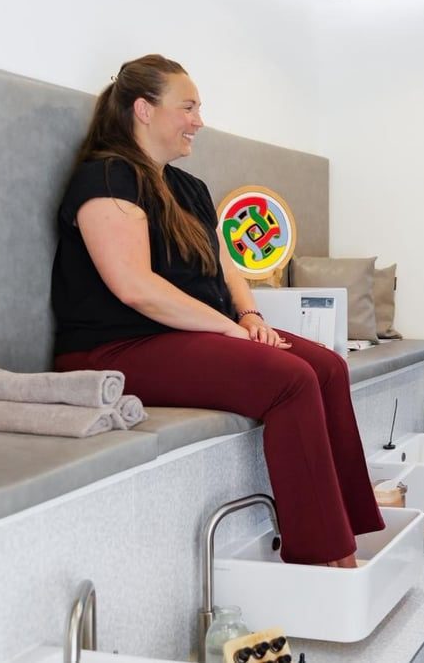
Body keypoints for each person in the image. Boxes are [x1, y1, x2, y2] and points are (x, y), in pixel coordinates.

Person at [51, 54, 384, 567]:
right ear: (143, 109)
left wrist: (250, 317)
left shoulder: (189, 188)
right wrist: (228, 329)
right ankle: (322, 556)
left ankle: (349, 531)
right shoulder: (107, 178)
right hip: (115, 348)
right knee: (291, 379)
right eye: (188, 107)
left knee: (328, 366)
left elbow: (227, 266)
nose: (199, 121)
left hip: (188, 337)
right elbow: (135, 288)